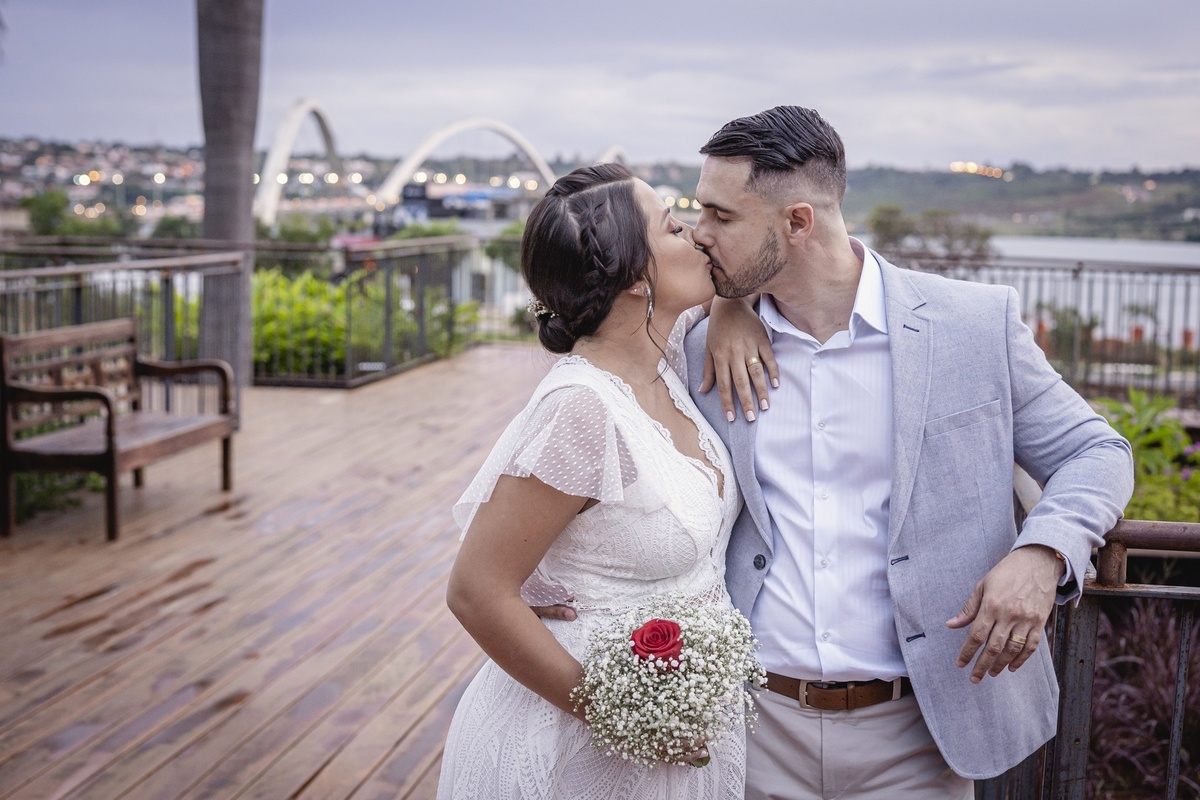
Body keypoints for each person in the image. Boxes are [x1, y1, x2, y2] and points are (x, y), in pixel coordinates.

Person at [682, 106, 1135, 798]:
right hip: (749, 728)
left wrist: (1044, 552)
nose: (697, 231)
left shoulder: (972, 326)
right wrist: (726, 304)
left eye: (721, 216)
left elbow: (1096, 451)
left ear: (798, 222)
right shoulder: (700, 347)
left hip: (921, 736)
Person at [438, 163, 748, 798]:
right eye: (672, 227)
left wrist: (734, 307)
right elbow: (476, 591)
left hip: (679, 730)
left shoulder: (664, 357)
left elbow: (746, 275)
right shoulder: (582, 411)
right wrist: (616, 716)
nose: (695, 233)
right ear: (635, 278)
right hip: (577, 745)